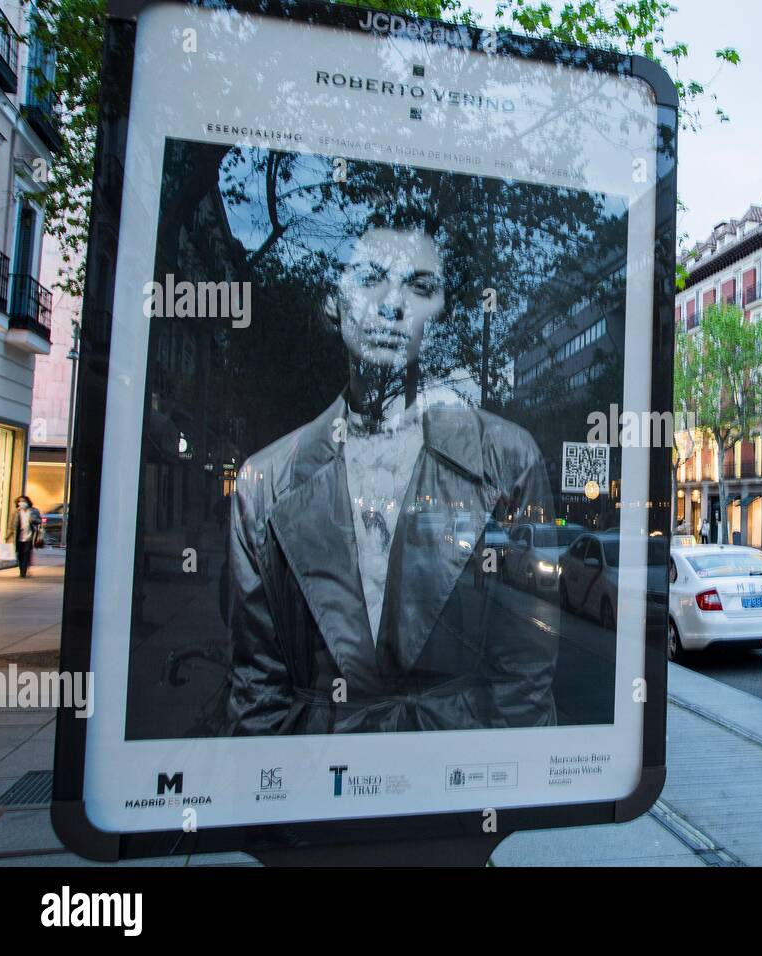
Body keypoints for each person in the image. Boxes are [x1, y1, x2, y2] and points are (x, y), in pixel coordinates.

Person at [227, 217, 558, 735]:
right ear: (332, 302)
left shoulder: (507, 458)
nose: (392, 303)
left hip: (452, 786)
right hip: (320, 784)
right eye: (369, 277)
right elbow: (257, 692)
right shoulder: (265, 482)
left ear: (440, 311)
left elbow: (524, 679)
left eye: (420, 285)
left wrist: (487, 796)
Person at [13, 496, 42, 578]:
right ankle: (22, 568)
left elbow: (39, 521)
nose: (21, 503)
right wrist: (9, 535)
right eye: (19, 501)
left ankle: (23, 571)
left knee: (26, 553)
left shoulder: (33, 511)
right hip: (19, 537)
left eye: (23, 501)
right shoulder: (17, 512)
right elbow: (12, 525)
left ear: (27, 502)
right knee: (19, 554)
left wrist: (33, 518)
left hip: (29, 536)